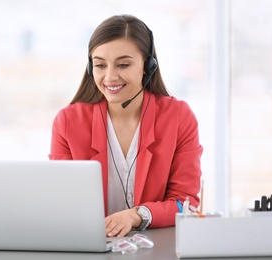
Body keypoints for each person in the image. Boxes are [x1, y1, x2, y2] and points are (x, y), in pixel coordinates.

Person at [49, 14, 203, 237]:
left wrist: (136, 215)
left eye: (123, 64)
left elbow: (184, 204)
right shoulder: (68, 122)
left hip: (157, 249)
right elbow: (59, 202)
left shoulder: (178, 117)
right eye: (100, 65)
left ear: (147, 66)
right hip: (89, 247)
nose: (110, 77)